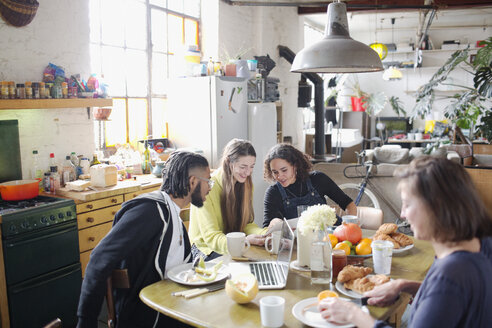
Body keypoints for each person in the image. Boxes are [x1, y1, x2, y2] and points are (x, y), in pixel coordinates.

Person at [318, 156, 492, 328]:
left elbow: (446, 287)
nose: (402, 214)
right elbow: (451, 296)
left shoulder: (451, 273)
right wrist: (404, 285)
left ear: (436, 207)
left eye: (407, 204)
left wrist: (353, 314)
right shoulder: (479, 246)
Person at [77, 151, 211, 328]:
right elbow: (98, 259)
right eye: (208, 181)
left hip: (171, 306)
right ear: (192, 181)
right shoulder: (150, 211)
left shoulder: (173, 214)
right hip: (149, 316)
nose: (210, 187)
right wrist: (85, 322)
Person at [189, 139, 279, 260]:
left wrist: (265, 235)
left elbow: (246, 224)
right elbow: (211, 238)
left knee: (265, 258)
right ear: (228, 162)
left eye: (251, 167)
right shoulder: (207, 188)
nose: (247, 173)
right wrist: (243, 241)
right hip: (204, 249)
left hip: (234, 244)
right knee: (246, 265)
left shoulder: (246, 185)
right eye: (243, 167)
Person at [262, 143, 356, 228]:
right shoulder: (273, 193)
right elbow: (267, 226)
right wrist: (275, 222)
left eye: (284, 170)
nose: (279, 176)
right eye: (275, 172)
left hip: (332, 236)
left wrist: (348, 228)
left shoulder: (318, 179)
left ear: (295, 165)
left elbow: (348, 204)